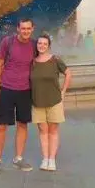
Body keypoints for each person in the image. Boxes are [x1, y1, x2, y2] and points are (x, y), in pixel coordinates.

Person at [0, 18, 36, 175]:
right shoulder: (7, 42)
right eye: (23, 28)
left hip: (25, 90)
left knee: (23, 124)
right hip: (7, 89)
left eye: (28, 28)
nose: (26, 31)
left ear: (32, 29)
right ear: (18, 29)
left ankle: (18, 158)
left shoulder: (34, 45)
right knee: (1, 125)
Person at [31, 34, 71, 172]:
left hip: (54, 101)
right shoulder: (33, 62)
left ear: (48, 46)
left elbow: (68, 73)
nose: (41, 45)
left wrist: (63, 91)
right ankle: (45, 158)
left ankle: (52, 159)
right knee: (43, 131)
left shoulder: (55, 60)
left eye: (44, 43)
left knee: (53, 131)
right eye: (39, 43)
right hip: (37, 101)